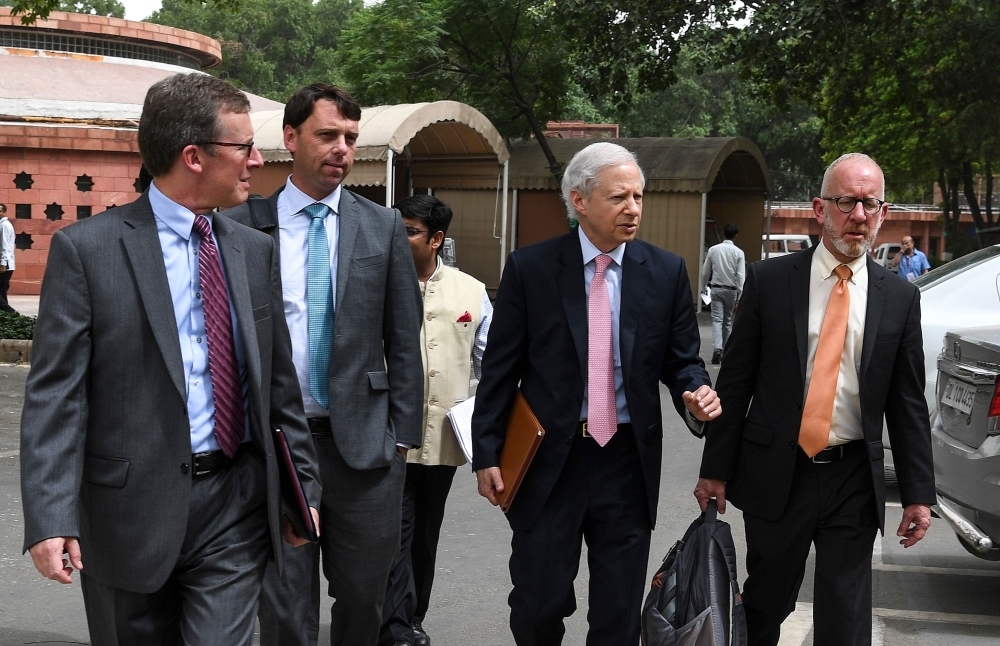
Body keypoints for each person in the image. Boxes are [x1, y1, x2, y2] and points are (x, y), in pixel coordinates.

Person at [19, 73, 321, 645]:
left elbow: (279, 386)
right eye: (244, 147)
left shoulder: (254, 251)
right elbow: (57, 394)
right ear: (194, 157)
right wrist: (50, 515)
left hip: (235, 504)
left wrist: (301, 489)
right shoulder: (88, 251)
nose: (257, 160)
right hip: (126, 513)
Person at [472, 141, 720, 646]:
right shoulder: (532, 270)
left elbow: (682, 361)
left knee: (619, 613)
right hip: (550, 462)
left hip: (626, 462)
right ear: (579, 200)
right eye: (618, 198)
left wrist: (695, 391)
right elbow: (499, 371)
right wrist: (486, 453)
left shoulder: (666, 272)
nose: (633, 208)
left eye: (638, 196)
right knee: (538, 605)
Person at [695, 153, 935, 646]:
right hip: (779, 472)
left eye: (870, 203)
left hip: (853, 477)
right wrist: (714, 467)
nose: (859, 215)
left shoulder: (900, 298)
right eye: (846, 202)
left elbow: (906, 403)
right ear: (819, 208)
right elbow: (735, 384)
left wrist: (917, 493)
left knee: (845, 614)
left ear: (883, 212)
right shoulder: (770, 281)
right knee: (766, 601)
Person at [221, 83, 423, 646]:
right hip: (279, 447)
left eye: (351, 139)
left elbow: (405, 339)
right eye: (327, 135)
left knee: (364, 598)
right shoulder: (241, 226)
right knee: (285, 606)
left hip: (365, 451)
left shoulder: (380, 226)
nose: (341, 149)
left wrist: (400, 438)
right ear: (290, 137)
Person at [379, 194, 493, 646]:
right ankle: (394, 626)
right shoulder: (378, 282)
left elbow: (492, 363)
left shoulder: (472, 291)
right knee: (394, 532)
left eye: (409, 231)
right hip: (387, 436)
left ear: (436, 239)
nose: (399, 237)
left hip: (444, 440)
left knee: (426, 534)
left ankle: (410, 618)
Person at [700, 223, 745, 364]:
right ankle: (725, 350)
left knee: (717, 319)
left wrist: (703, 287)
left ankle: (717, 348)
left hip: (716, 289)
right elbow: (740, 276)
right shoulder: (739, 252)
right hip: (731, 290)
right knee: (727, 321)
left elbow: (705, 271)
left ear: (723, 233)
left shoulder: (713, 250)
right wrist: (741, 294)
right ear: (735, 236)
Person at [0, 203, 14, 313]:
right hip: (5, 263)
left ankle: (12, 313)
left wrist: (3, 264)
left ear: (4, 212)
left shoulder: (4, 225)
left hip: (5, 264)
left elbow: (5, 246)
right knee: (2, 292)